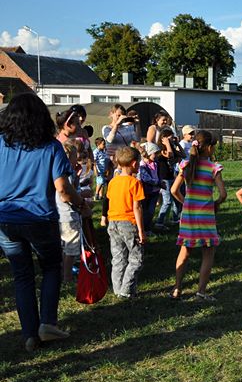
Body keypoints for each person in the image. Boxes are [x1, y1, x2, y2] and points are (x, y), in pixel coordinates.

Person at [0, 93, 88, 352]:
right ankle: (47, 322)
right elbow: (63, 189)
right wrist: (81, 205)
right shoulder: (50, 147)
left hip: (6, 218)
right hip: (39, 218)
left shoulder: (1, 143)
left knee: (22, 275)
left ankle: (29, 333)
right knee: (51, 267)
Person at [170, 130, 226, 301]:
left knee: (185, 251)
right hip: (206, 217)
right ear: (208, 147)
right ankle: (201, 292)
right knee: (208, 253)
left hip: (188, 216)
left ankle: (177, 289)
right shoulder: (213, 168)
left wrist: (185, 202)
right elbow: (223, 194)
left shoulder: (186, 165)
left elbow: (173, 190)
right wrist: (216, 204)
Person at [106, 146, 146, 298]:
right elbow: (137, 208)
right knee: (136, 258)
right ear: (134, 163)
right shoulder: (134, 183)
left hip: (113, 222)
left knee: (118, 257)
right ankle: (127, 289)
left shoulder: (113, 182)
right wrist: (141, 231)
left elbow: (109, 201)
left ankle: (118, 289)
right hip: (128, 223)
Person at [56, 141, 84, 285]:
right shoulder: (66, 175)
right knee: (71, 249)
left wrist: (77, 176)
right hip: (69, 215)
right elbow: (67, 195)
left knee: (64, 247)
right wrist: (82, 199)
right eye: (74, 156)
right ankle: (67, 277)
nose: (77, 158)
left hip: (60, 215)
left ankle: (63, 273)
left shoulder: (61, 173)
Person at [154, 127, 181, 228]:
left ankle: (175, 218)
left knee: (175, 199)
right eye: (170, 138)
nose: (172, 140)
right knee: (167, 201)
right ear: (163, 139)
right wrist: (167, 143)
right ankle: (159, 222)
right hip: (164, 178)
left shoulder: (171, 148)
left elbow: (182, 155)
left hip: (171, 177)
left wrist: (177, 144)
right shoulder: (161, 150)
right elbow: (170, 155)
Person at [138, 142, 161, 236]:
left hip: (154, 192)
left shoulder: (155, 164)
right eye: (155, 153)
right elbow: (146, 178)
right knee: (145, 211)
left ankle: (147, 228)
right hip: (146, 192)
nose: (156, 155)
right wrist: (158, 183)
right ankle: (143, 229)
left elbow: (157, 175)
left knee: (151, 211)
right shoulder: (142, 165)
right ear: (149, 153)